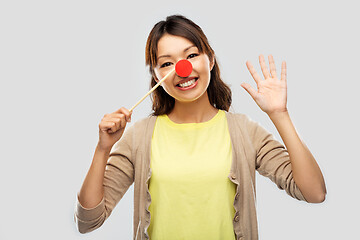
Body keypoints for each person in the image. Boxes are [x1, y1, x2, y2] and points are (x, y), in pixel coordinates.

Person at [74, 15, 326, 240]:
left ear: (211, 60)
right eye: (166, 63)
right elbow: (88, 222)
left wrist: (279, 114)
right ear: (156, 77)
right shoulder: (139, 137)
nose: (182, 69)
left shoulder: (245, 132)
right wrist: (102, 149)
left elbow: (314, 193)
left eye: (192, 55)